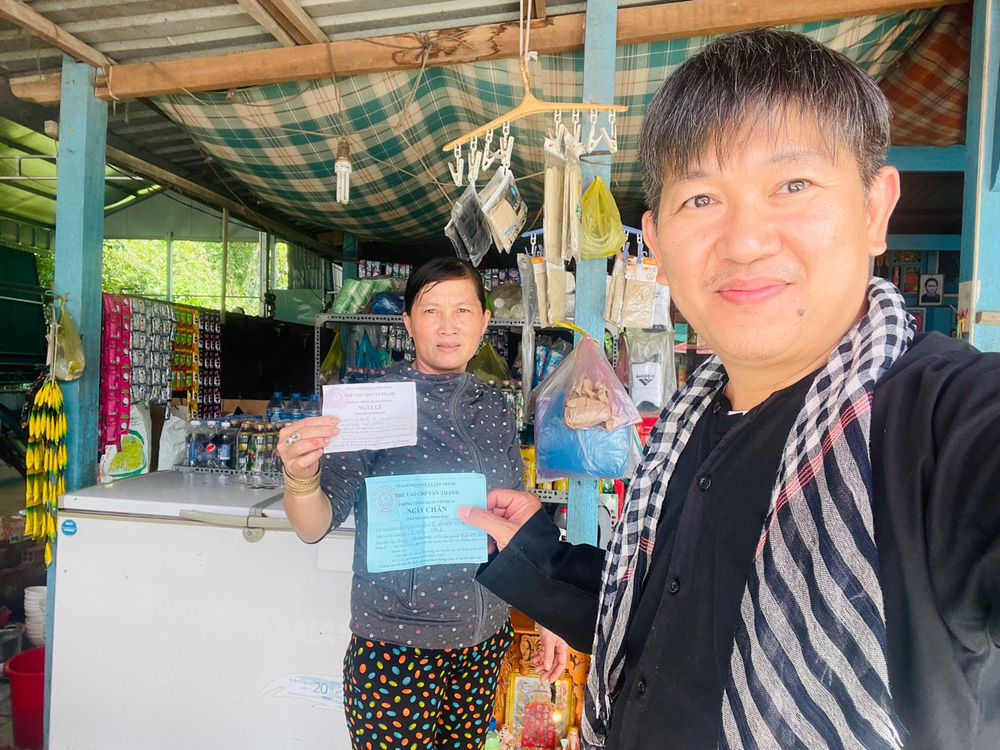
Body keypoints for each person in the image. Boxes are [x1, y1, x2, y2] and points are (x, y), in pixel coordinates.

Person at [459, 28, 1000, 750]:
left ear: (875, 208)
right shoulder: (687, 428)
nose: (745, 240)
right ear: (655, 244)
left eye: (793, 185)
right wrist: (535, 555)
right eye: (702, 198)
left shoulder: (942, 422)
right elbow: (657, 633)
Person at [277, 257, 566, 750]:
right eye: (431, 310)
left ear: (483, 322)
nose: (448, 326)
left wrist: (548, 612)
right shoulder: (371, 405)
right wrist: (300, 477)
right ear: (408, 322)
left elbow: (512, 527)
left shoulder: (495, 407)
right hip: (396, 649)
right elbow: (314, 524)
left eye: (462, 310)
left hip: (482, 643)